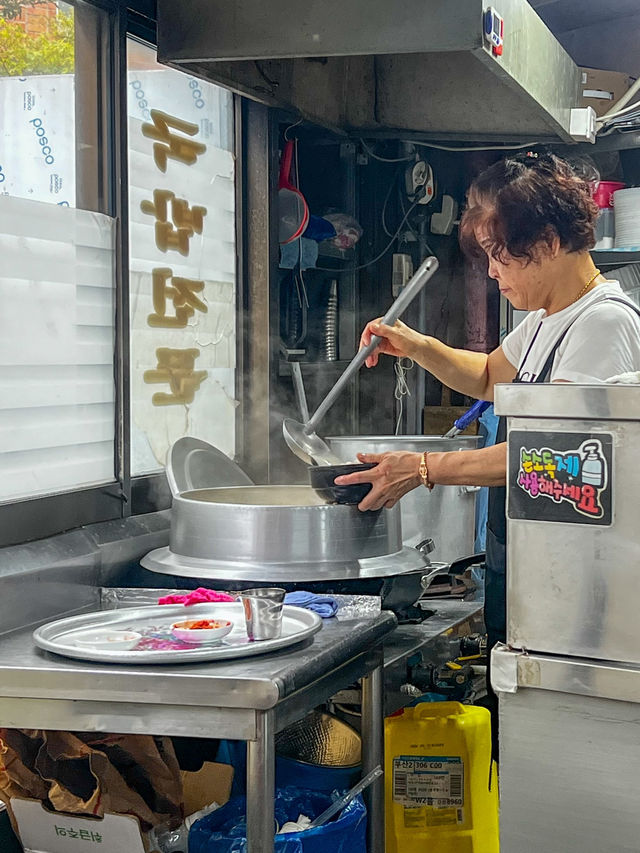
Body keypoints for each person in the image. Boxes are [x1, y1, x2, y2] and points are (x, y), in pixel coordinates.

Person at [334, 151, 640, 747]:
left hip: (583, 594)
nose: (493, 272)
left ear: (548, 242)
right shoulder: (549, 317)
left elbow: (552, 457)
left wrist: (421, 469)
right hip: (539, 571)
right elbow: (485, 377)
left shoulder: (604, 325)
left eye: (501, 254)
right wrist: (415, 343)